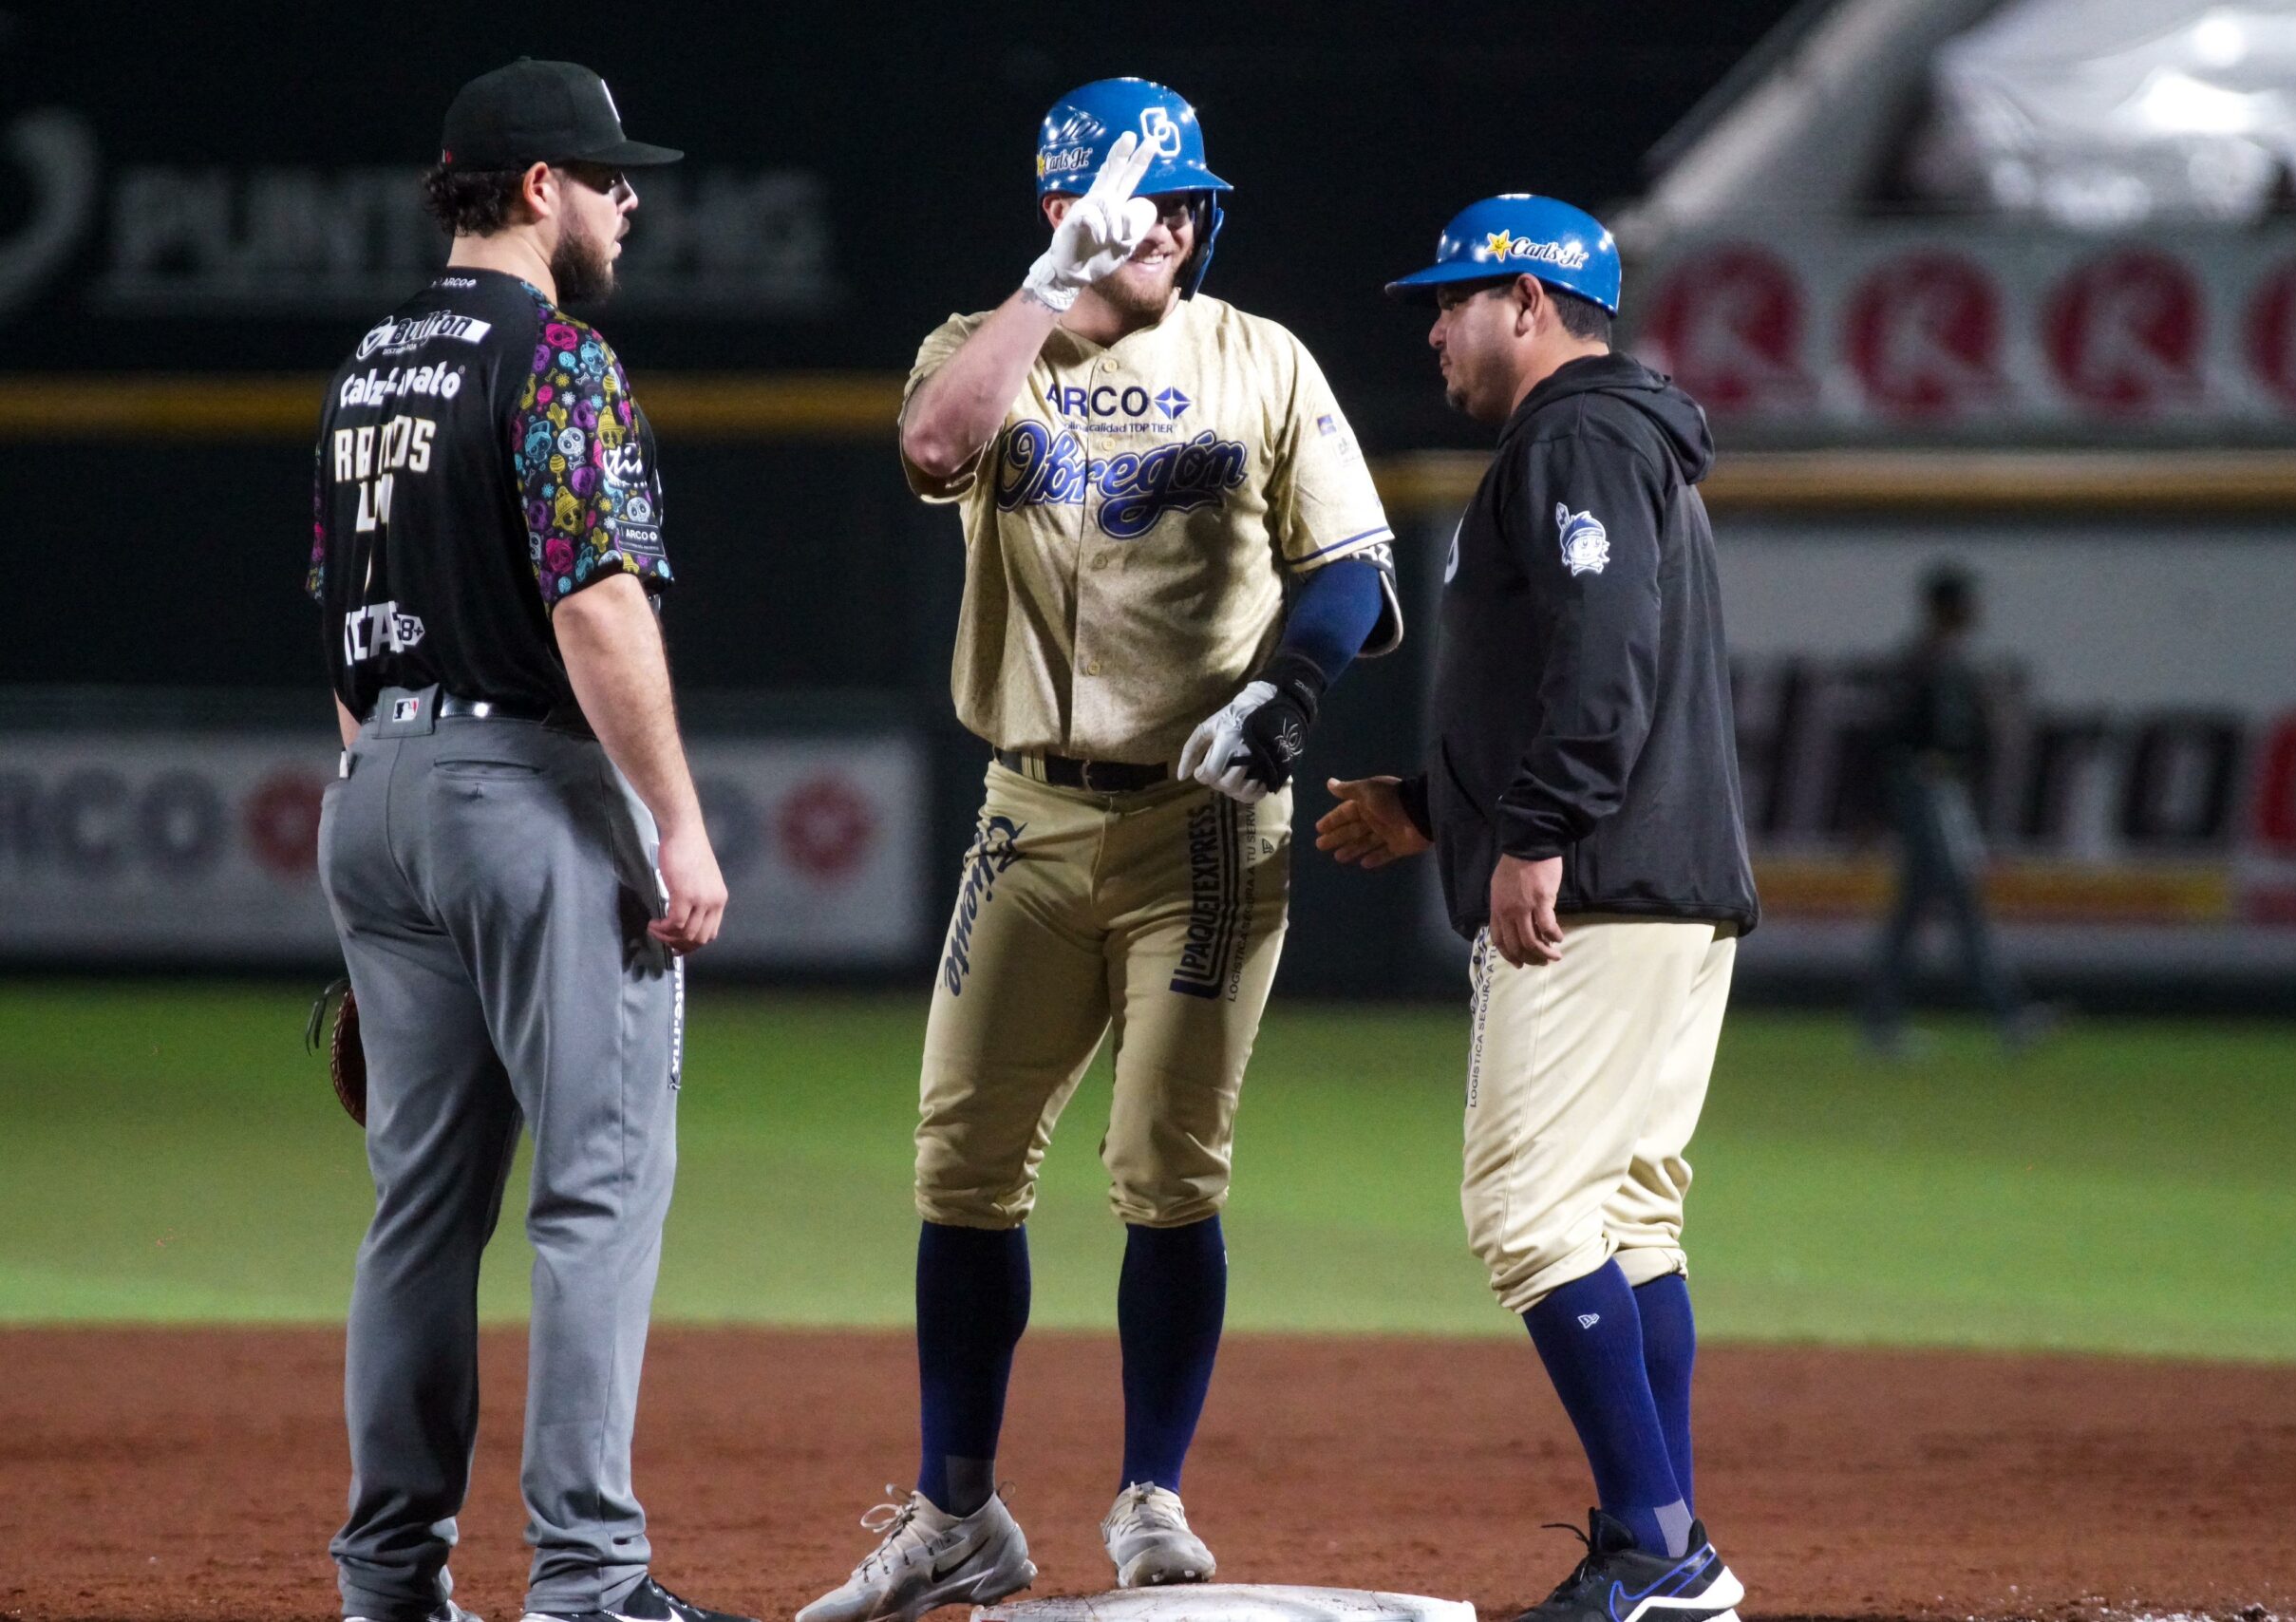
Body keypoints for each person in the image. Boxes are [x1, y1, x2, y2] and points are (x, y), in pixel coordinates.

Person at [794, 76, 1399, 1622]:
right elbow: (932, 441)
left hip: (1207, 819)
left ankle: (1151, 1494)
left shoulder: (1256, 356)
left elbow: (1349, 564)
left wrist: (1289, 692)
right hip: (1030, 818)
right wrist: (1054, 275)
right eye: (1153, 202)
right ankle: (954, 1512)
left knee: (1165, 1166)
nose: (1182, 224)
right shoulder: (981, 347)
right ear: (1073, 214)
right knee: (961, 1162)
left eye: (1193, 202)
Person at [310, 58, 750, 1622]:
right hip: (525, 795)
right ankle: (589, 1576)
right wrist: (679, 828)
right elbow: (594, 602)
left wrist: (392, 841)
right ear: (541, 188)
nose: (633, 200)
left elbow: (347, 632)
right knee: (598, 1186)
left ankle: (388, 1577)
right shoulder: (553, 355)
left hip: (374, 797)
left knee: (419, 1201)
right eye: (612, 174)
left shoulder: (371, 367)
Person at [1318, 195, 1756, 1622]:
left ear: (1525, 300)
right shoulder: (1617, 441)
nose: (1434, 328)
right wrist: (1441, 809)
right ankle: (1671, 1541)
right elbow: (1565, 671)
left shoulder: (1574, 434)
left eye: (1449, 300)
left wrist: (1538, 832)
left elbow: (1604, 650)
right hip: (1666, 885)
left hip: (1603, 888)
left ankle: (1657, 1543)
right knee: (1629, 1216)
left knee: (1525, 1210)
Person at [1860, 562, 2046, 1053]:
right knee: (1963, 901)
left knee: (1914, 910)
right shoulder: (1923, 661)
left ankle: (1881, 1022)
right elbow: (1894, 736)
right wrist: (1882, 807)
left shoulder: (1944, 659)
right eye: (1967, 598)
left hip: (1940, 792)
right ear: (1945, 605)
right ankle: (2009, 1013)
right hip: (1926, 789)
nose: (1976, 608)